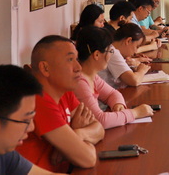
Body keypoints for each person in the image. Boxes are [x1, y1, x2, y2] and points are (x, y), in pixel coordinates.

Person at [16, 36, 104, 172]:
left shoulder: (64, 91)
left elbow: (99, 128)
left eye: (76, 59)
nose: (78, 67)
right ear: (45, 68)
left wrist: (77, 134)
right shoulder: (37, 99)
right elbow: (88, 158)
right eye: (70, 59)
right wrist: (76, 142)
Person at [73, 26, 154, 129]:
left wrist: (117, 104)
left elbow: (112, 93)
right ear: (97, 55)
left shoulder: (92, 76)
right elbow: (100, 120)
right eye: (110, 52)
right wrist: (135, 113)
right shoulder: (80, 82)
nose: (111, 55)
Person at [98, 23, 151, 88]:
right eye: (136, 47)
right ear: (128, 41)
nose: (135, 52)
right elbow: (134, 81)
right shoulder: (112, 52)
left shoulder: (110, 47)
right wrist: (142, 70)